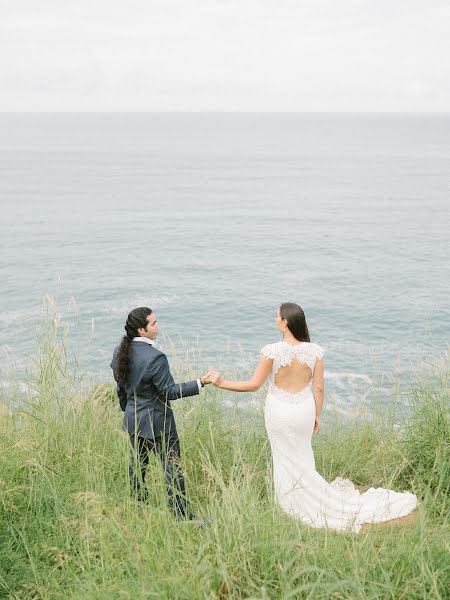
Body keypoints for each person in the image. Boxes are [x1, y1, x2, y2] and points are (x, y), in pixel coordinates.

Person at [209, 302, 417, 533]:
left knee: (283, 455)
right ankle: (307, 497)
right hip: (304, 410)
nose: (275, 319)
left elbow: (254, 384)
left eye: (277, 316)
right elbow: (318, 389)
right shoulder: (315, 352)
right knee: (302, 455)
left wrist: (221, 383)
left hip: (279, 411)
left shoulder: (271, 351)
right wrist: (317, 415)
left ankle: (290, 502)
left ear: (285, 322)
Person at [111, 306, 212, 519]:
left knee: (137, 465)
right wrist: (200, 382)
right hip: (158, 424)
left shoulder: (120, 351)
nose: (158, 327)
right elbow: (169, 392)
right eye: (153, 323)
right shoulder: (155, 358)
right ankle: (181, 516)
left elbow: (120, 386)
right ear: (141, 330)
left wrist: (128, 410)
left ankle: (137, 505)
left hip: (133, 420)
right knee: (173, 469)